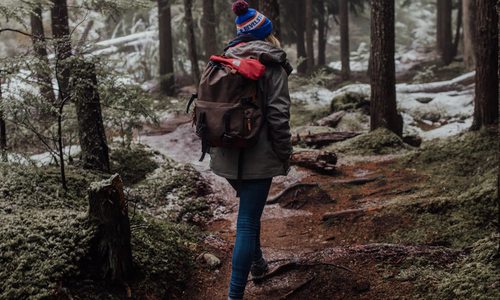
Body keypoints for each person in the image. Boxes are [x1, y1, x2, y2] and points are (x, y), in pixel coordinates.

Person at [208, 1, 293, 299]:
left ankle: (257, 263)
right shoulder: (272, 64)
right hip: (259, 155)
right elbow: (279, 116)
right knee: (246, 221)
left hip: (225, 155)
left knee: (250, 211)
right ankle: (234, 295)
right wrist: (285, 153)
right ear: (267, 35)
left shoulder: (222, 60)